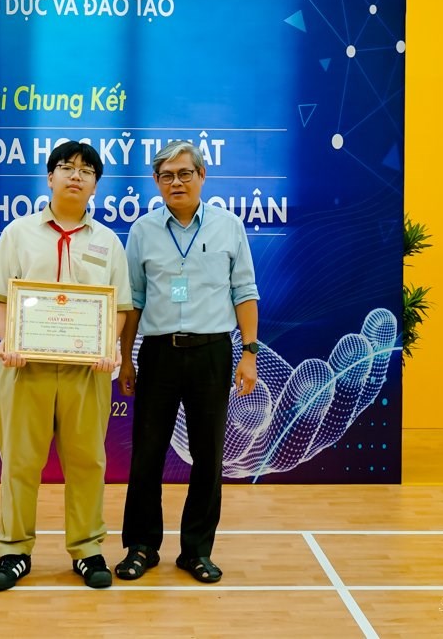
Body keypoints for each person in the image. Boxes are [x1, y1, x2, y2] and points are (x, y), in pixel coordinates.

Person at [0, 140, 133, 591]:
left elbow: (120, 307)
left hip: (87, 373)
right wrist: (9, 340)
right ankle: (14, 551)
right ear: (50, 177)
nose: (75, 175)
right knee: (19, 462)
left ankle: (87, 549)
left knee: (88, 462)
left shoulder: (108, 242)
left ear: (96, 185)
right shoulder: (18, 233)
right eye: (66, 167)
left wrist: (110, 346)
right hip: (24, 367)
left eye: (86, 170)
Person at [115, 140, 260, 584]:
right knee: (147, 454)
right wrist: (126, 360)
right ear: (156, 182)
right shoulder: (142, 230)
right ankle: (141, 546)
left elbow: (245, 292)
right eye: (166, 176)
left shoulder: (228, 226)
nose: (175, 182)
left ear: (202, 176)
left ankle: (196, 551)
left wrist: (249, 352)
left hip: (212, 353)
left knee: (208, 456)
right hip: (158, 353)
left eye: (184, 173)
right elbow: (134, 301)